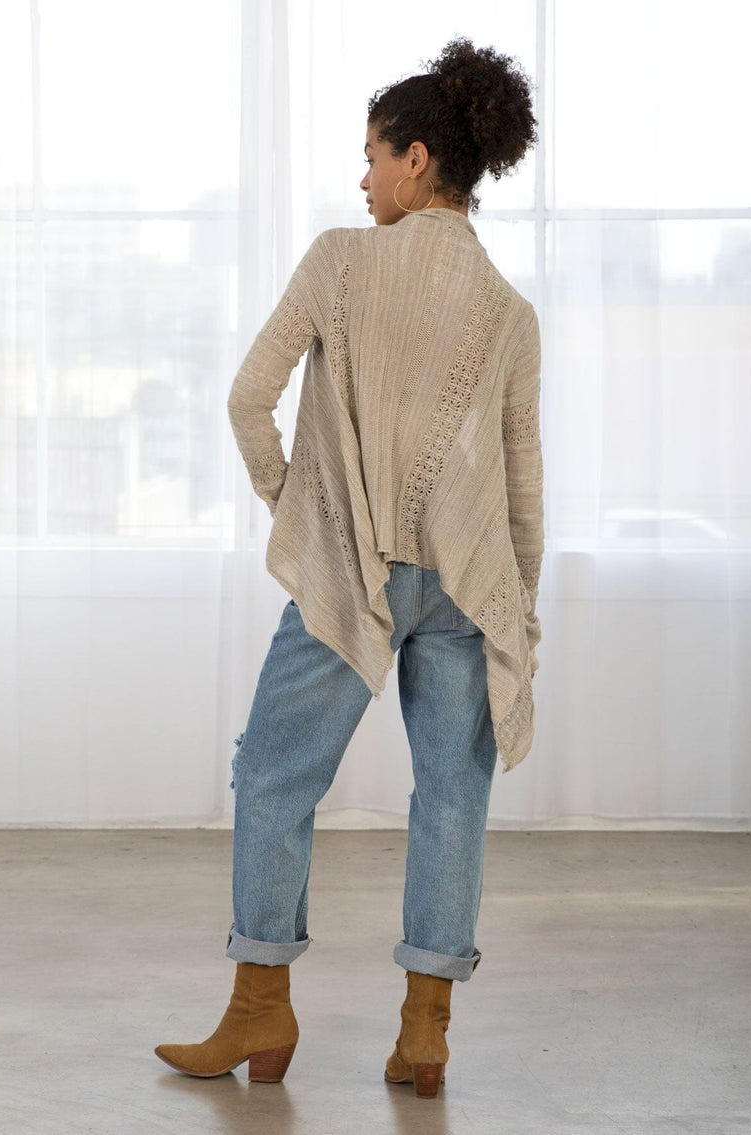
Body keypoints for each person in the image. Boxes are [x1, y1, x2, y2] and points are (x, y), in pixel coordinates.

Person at [154, 35, 543, 1099]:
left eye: (370, 155)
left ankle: (258, 1009)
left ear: (417, 160)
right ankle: (425, 1032)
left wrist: (301, 506)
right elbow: (519, 491)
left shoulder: (338, 260)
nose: (360, 177)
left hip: (354, 566)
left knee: (275, 775)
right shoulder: (511, 313)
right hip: (469, 577)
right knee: (450, 795)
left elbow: (246, 399)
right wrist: (522, 610)